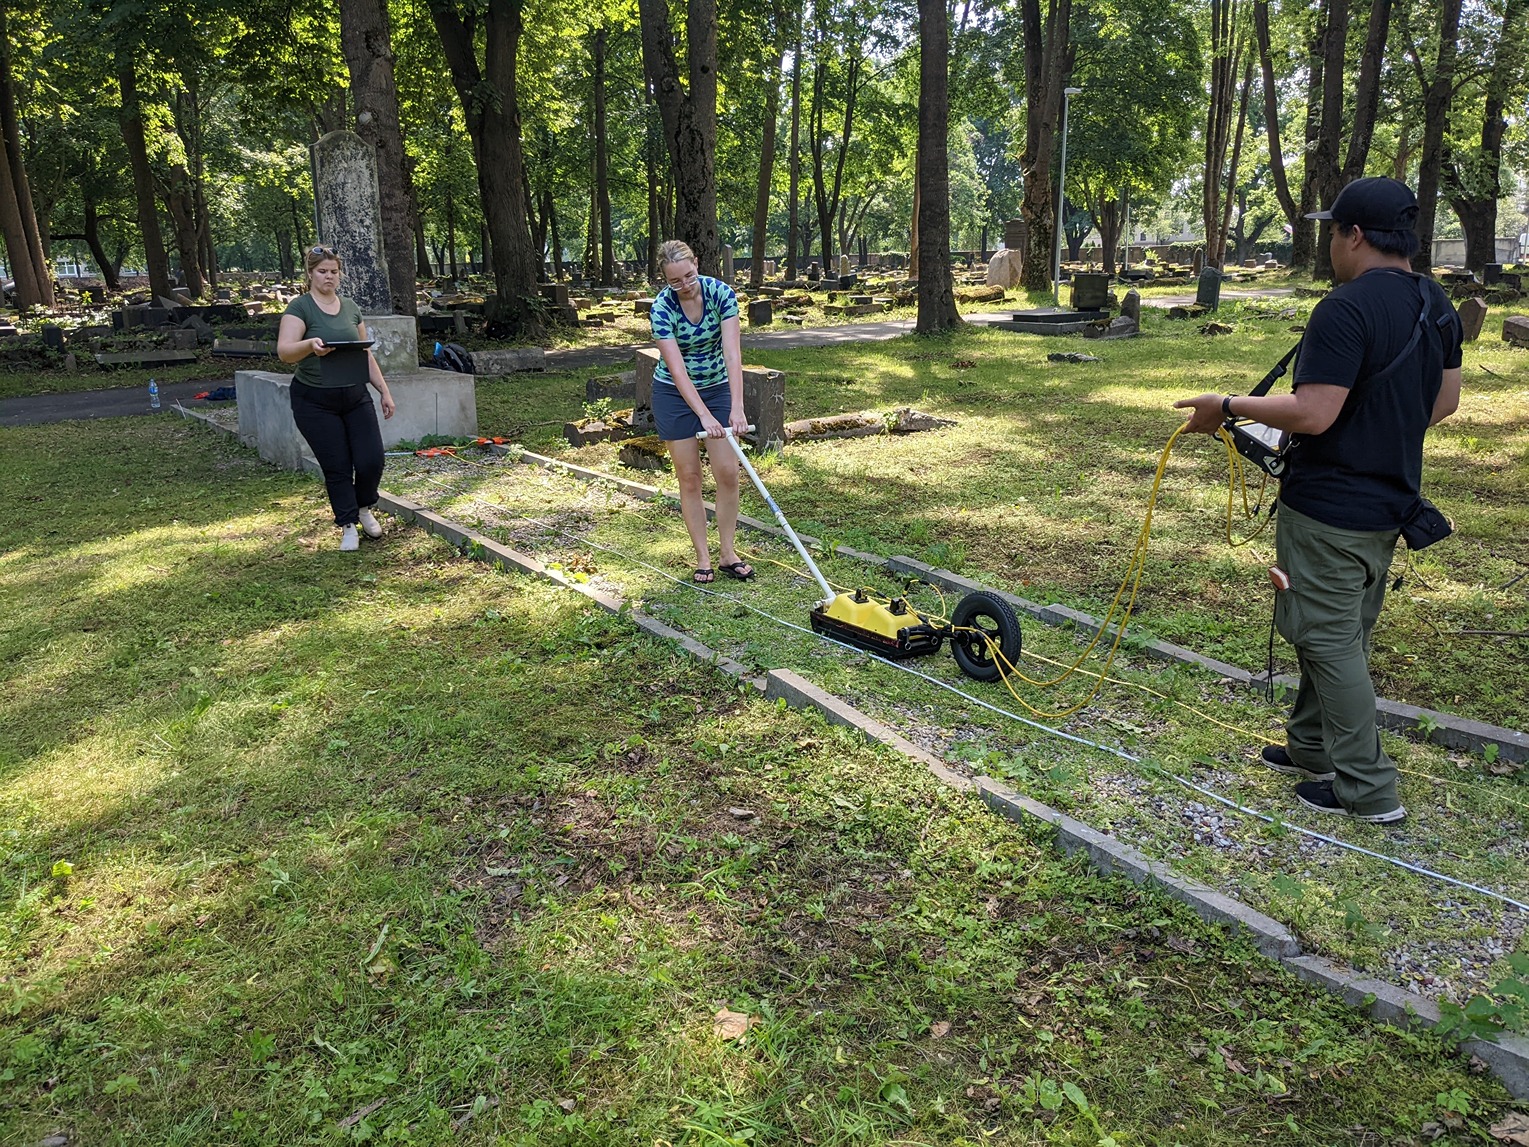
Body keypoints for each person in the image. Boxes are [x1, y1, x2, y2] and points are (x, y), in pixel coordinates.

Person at [1174, 177, 1462, 824]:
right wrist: (1380, 426)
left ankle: (1367, 788)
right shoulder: (1436, 304)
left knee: (1326, 639)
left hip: (1328, 508)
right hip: (1390, 505)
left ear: (1353, 235)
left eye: (1331, 230)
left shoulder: (1345, 308)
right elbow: (1441, 404)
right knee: (1336, 634)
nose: (1329, 242)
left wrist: (1224, 407)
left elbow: (1311, 411)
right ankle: (1309, 746)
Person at [277, 246, 396, 552]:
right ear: (310, 273)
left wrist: (383, 390)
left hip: (355, 395)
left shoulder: (350, 307)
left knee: (371, 459)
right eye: (322, 271)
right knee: (337, 465)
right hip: (314, 399)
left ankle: (364, 507)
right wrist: (309, 345)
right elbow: (285, 352)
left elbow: (364, 352)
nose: (328, 277)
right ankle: (347, 525)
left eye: (333, 271)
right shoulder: (300, 308)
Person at [649, 239, 754, 584]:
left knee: (727, 472)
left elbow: (732, 353)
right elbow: (676, 369)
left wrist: (735, 408)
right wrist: (704, 415)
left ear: (696, 263)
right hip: (674, 394)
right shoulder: (662, 308)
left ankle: (728, 553)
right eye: (675, 281)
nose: (684, 285)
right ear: (666, 280)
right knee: (690, 477)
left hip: (718, 387)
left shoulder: (721, 294)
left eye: (689, 276)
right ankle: (703, 557)